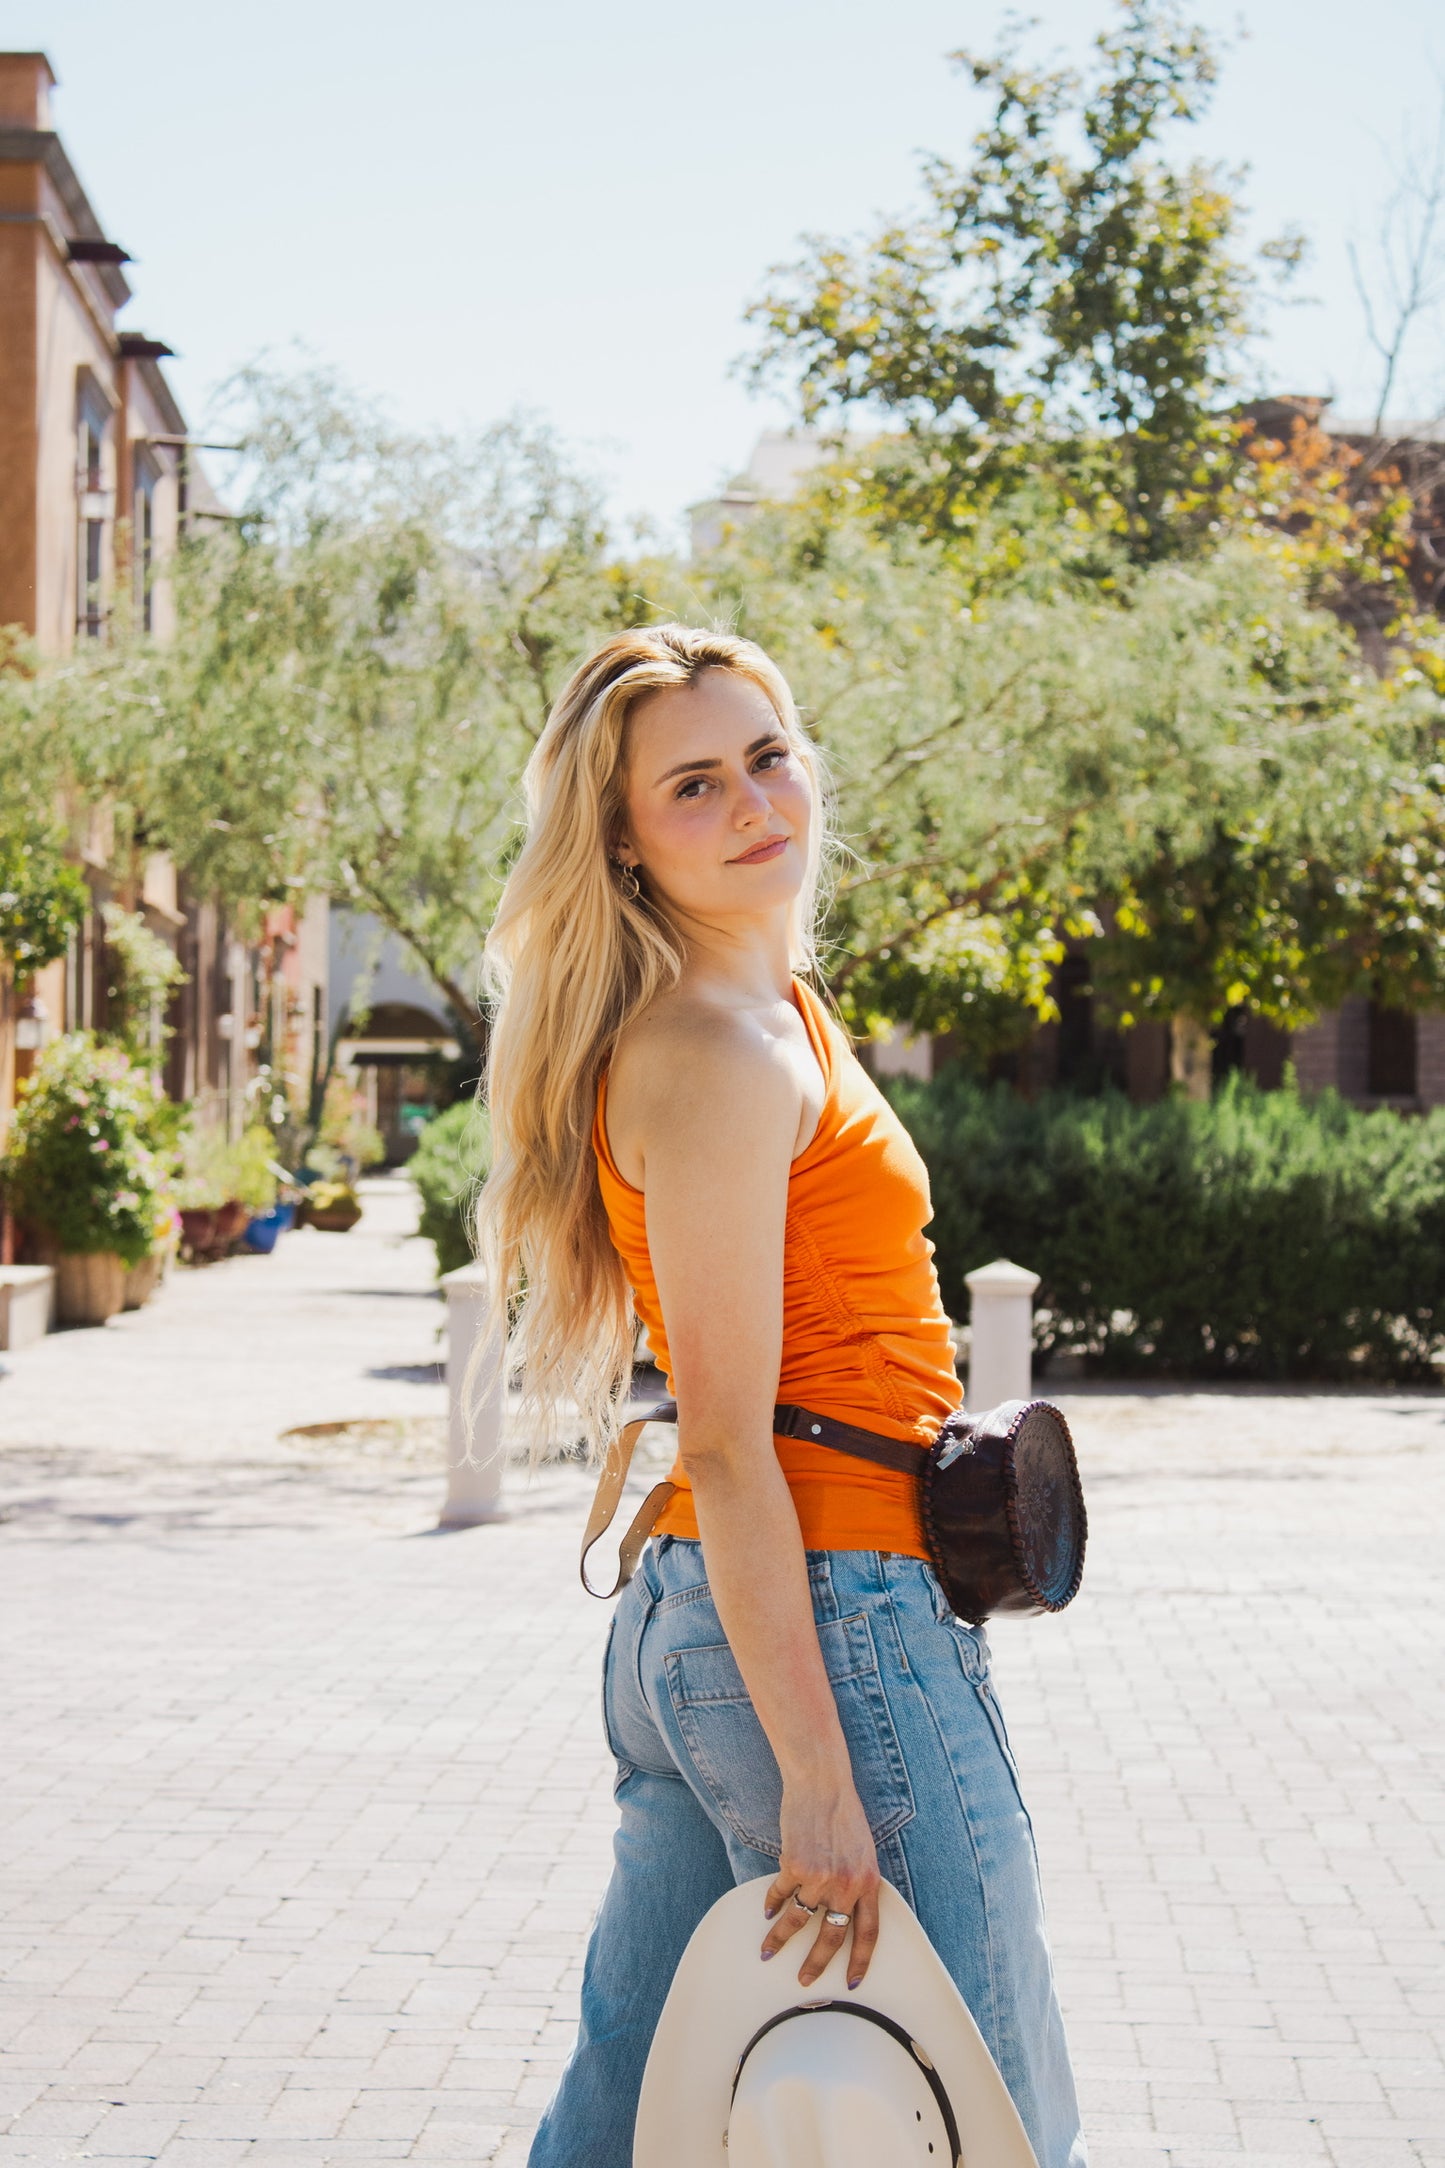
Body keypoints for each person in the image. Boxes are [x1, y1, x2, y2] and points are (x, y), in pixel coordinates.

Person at [477, 625, 1086, 2168]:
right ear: (621, 841)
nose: (753, 799)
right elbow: (732, 1445)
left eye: (767, 755)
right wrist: (820, 1777)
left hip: (744, 1620)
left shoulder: (775, 1014)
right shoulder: (716, 1050)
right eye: (693, 784)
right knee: (995, 2105)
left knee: (624, 2118)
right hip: (827, 1622)